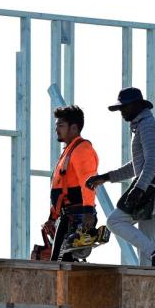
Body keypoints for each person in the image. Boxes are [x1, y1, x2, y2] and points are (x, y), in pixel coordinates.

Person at [85, 87, 155, 267]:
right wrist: (106, 177)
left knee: (115, 221)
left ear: (137, 105)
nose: (121, 112)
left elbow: (153, 161)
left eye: (124, 107)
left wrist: (139, 189)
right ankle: (153, 279)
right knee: (147, 250)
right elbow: (136, 166)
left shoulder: (147, 125)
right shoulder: (143, 126)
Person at [42, 106, 99, 261]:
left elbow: (89, 182)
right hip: (68, 216)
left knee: (62, 265)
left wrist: (88, 213)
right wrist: (52, 218)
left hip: (78, 216)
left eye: (60, 125)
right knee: (60, 264)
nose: (56, 129)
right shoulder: (69, 150)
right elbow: (61, 190)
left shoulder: (82, 149)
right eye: (56, 126)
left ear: (74, 127)